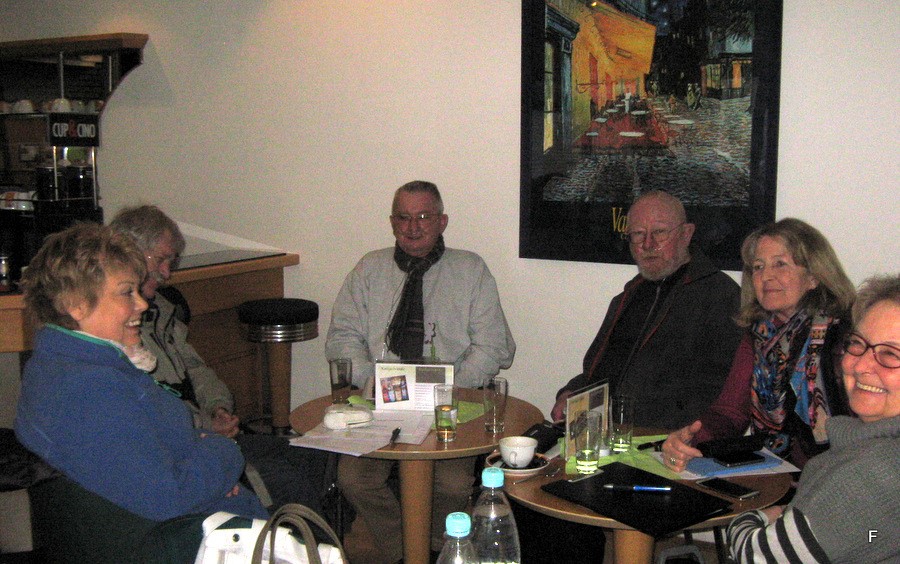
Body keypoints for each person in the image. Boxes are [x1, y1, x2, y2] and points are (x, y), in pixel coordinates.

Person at [14, 223, 268, 521]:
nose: (142, 304)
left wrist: (209, 470)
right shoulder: (90, 388)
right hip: (197, 536)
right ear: (76, 305)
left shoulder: (66, 365)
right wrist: (225, 452)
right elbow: (168, 497)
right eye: (126, 292)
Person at [325, 180, 515, 562]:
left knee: (453, 484)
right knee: (353, 479)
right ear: (391, 222)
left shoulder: (470, 269)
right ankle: (403, 552)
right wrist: (374, 382)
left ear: (442, 221)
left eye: (424, 216)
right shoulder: (369, 268)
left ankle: (436, 548)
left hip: (450, 403)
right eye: (404, 217)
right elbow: (342, 337)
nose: (413, 227)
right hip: (382, 401)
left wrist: (447, 388)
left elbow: (494, 346)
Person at [109, 205, 329, 513]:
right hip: (183, 446)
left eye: (171, 262)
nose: (167, 273)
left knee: (313, 453)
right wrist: (205, 424)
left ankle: (308, 535)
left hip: (204, 430)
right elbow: (156, 408)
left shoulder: (162, 311)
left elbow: (197, 370)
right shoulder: (118, 327)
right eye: (160, 260)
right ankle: (296, 536)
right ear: (128, 256)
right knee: (286, 481)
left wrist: (218, 408)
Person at [727, 274, 900, 563]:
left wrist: (757, 518)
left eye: (891, 354)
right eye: (858, 344)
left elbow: (754, 556)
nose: (861, 365)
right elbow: (873, 536)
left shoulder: (873, 472)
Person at [662, 218, 856, 472]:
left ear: (813, 276)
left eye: (780, 264)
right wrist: (689, 438)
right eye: (758, 267)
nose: (766, 276)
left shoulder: (846, 336)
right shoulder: (759, 336)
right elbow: (730, 413)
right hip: (776, 472)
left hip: (843, 473)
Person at [551, 190, 742, 429]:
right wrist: (572, 392)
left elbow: (718, 395)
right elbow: (605, 371)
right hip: (605, 433)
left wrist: (637, 429)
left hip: (663, 439)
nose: (648, 244)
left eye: (659, 232)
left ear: (686, 234)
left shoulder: (720, 296)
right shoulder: (631, 294)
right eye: (638, 234)